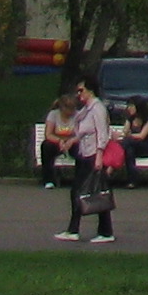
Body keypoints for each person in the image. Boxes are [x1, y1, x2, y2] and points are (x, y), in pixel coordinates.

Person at [57, 82, 114, 244]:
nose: (78, 94)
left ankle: (101, 231)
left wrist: (99, 156)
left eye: (81, 90)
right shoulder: (86, 110)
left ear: (91, 90)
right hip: (84, 154)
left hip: (93, 155)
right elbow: (82, 131)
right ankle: (79, 229)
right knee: (87, 192)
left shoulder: (98, 109)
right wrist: (70, 141)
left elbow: (103, 133)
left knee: (92, 192)